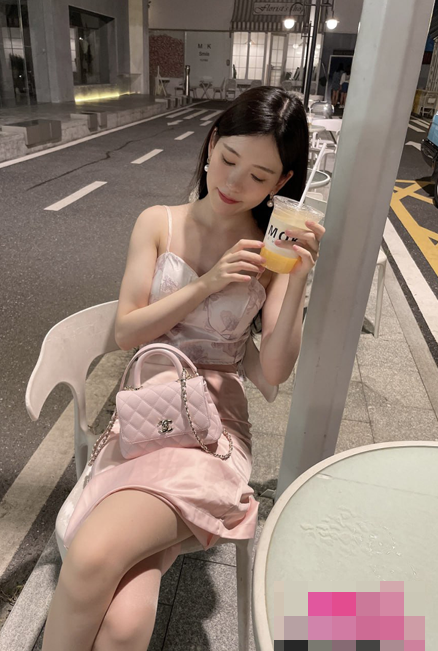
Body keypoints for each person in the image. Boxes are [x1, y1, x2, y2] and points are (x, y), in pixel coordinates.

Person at [41, 86, 325, 651]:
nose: (234, 183)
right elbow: (128, 333)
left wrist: (297, 279)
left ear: (283, 183)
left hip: (212, 430)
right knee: (123, 623)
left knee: (92, 557)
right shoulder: (158, 223)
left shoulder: (270, 252)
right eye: (228, 159)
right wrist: (206, 284)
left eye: (259, 176)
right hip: (146, 415)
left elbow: (273, 370)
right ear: (212, 142)